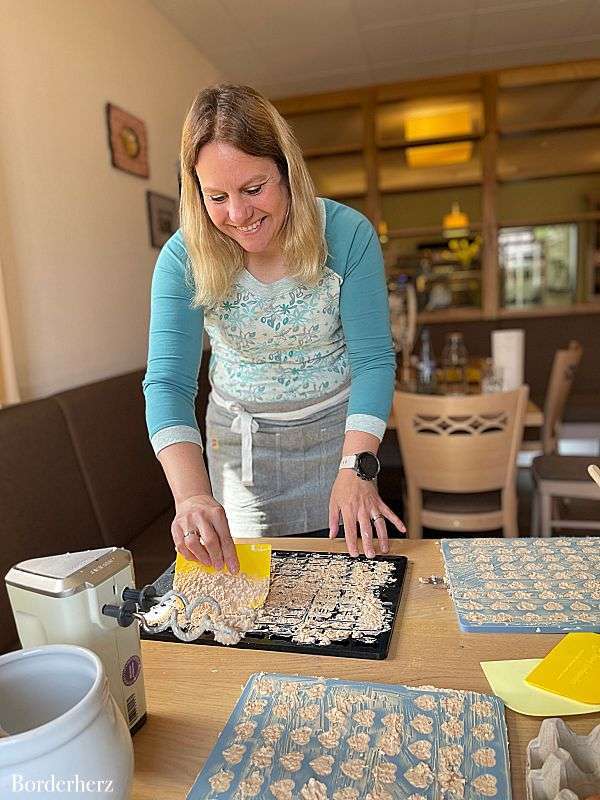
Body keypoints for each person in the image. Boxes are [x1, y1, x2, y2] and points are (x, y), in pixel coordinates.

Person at [143, 84, 405, 575]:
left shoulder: (347, 234)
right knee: (249, 593)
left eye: (253, 189)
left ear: (287, 172)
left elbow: (373, 360)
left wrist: (357, 468)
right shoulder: (182, 258)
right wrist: (193, 495)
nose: (238, 215)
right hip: (241, 452)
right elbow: (168, 384)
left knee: (348, 585)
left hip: (340, 441)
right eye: (216, 196)